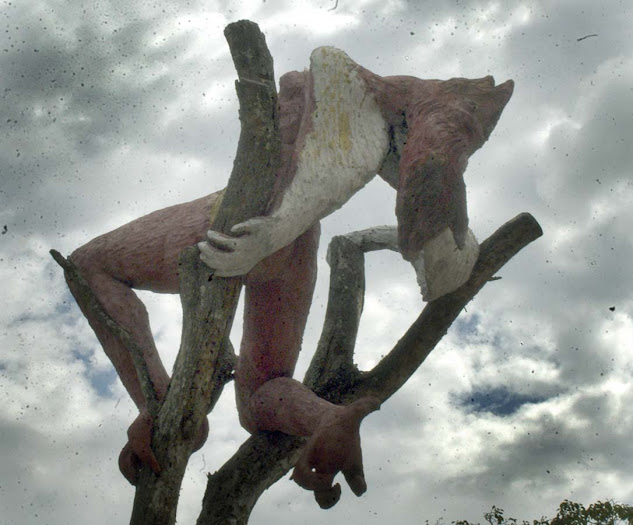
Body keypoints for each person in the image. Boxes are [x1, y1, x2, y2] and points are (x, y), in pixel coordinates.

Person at [65, 47, 513, 508]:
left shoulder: (350, 83)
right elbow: (392, 181)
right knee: (261, 392)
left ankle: (157, 404)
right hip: (297, 243)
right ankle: (325, 418)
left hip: (252, 220)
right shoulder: (397, 114)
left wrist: (271, 232)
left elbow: (327, 169)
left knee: (91, 264)